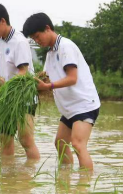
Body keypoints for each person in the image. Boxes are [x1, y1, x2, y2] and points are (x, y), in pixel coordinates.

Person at [23, 13, 101, 170]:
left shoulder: (66, 46)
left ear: (47, 28)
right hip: (70, 108)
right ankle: (66, 179)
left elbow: (72, 78)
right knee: (60, 143)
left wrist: (49, 87)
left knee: (78, 144)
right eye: (34, 39)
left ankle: (83, 188)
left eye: (38, 36)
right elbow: (46, 78)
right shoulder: (50, 53)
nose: (37, 41)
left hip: (83, 104)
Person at [0, 2, 41, 160]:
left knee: (25, 140)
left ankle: (31, 175)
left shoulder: (20, 42)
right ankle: (8, 181)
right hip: (4, 97)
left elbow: (24, 72)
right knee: (4, 140)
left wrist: (6, 86)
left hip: (24, 97)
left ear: (2, 21)